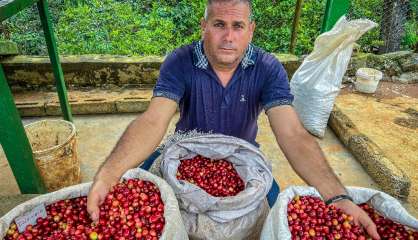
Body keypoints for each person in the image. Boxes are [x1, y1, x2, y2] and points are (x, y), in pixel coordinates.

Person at [87, 0, 380, 238]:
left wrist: (336, 196)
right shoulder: (180, 61)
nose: (228, 37)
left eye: (238, 26)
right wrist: (108, 174)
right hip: (186, 149)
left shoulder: (268, 68)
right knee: (142, 199)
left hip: (243, 157)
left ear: (250, 30)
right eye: (219, 25)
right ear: (204, 27)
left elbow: (292, 133)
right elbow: (153, 120)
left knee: (273, 215)